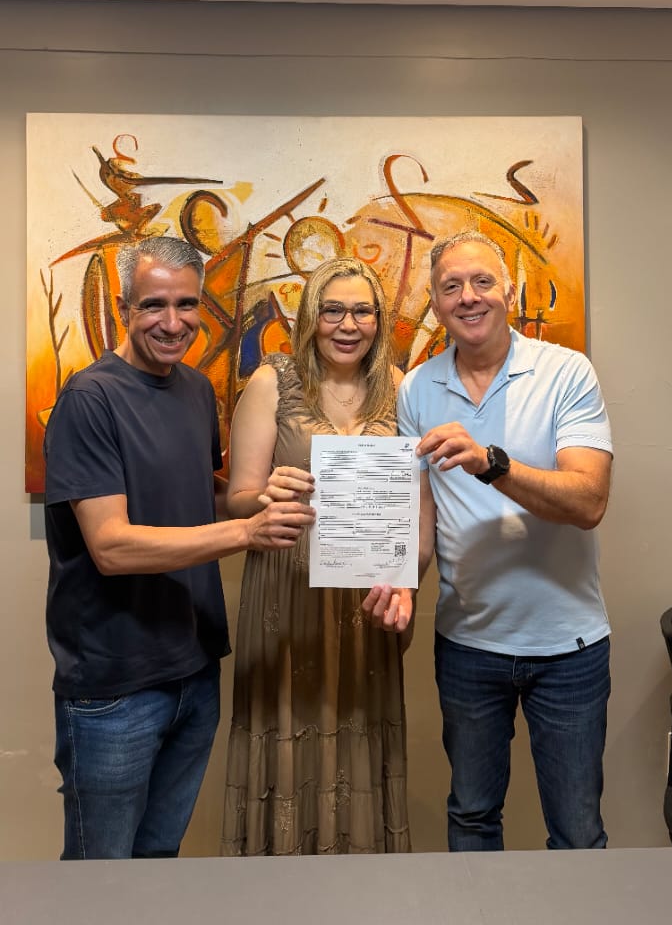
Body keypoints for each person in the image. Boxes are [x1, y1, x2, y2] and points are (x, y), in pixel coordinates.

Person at [43, 236, 314, 860]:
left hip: (194, 670)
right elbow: (111, 546)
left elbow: (198, 495)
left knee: (160, 865)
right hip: (116, 684)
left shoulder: (194, 389)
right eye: (153, 305)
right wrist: (246, 533)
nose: (172, 322)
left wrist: (260, 497)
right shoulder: (89, 400)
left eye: (186, 304)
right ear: (123, 308)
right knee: (100, 877)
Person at [384, 229, 613, 852]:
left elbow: (589, 502)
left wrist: (493, 463)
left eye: (482, 281)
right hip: (467, 646)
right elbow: (423, 520)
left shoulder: (565, 372)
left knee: (577, 834)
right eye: (451, 286)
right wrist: (402, 583)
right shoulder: (417, 389)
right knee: (472, 818)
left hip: (568, 648)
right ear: (436, 304)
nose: (468, 296)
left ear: (508, 292)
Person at [221, 257, 411, 855]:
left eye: (361, 311)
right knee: (286, 726)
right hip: (287, 589)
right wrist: (268, 493)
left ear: (379, 320)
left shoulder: (402, 386)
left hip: (366, 598)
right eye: (332, 311)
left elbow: (417, 499)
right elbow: (238, 499)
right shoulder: (272, 381)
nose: (347, 325)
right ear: (310, 317)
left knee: (358, 730)